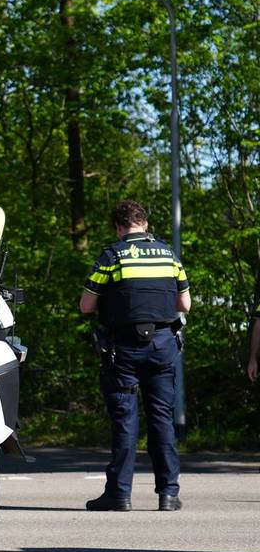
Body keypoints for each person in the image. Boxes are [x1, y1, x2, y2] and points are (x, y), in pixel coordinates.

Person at [80, 200, 190, 512]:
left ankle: (119, 494)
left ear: (118, 227)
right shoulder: (169, 254)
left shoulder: (113, 255)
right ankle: (168, 494)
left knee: (126, 421)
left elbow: (86, 306)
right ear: (145, 223)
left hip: (124, 348)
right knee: (162, 420)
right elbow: (186, 304)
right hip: (163, 345)